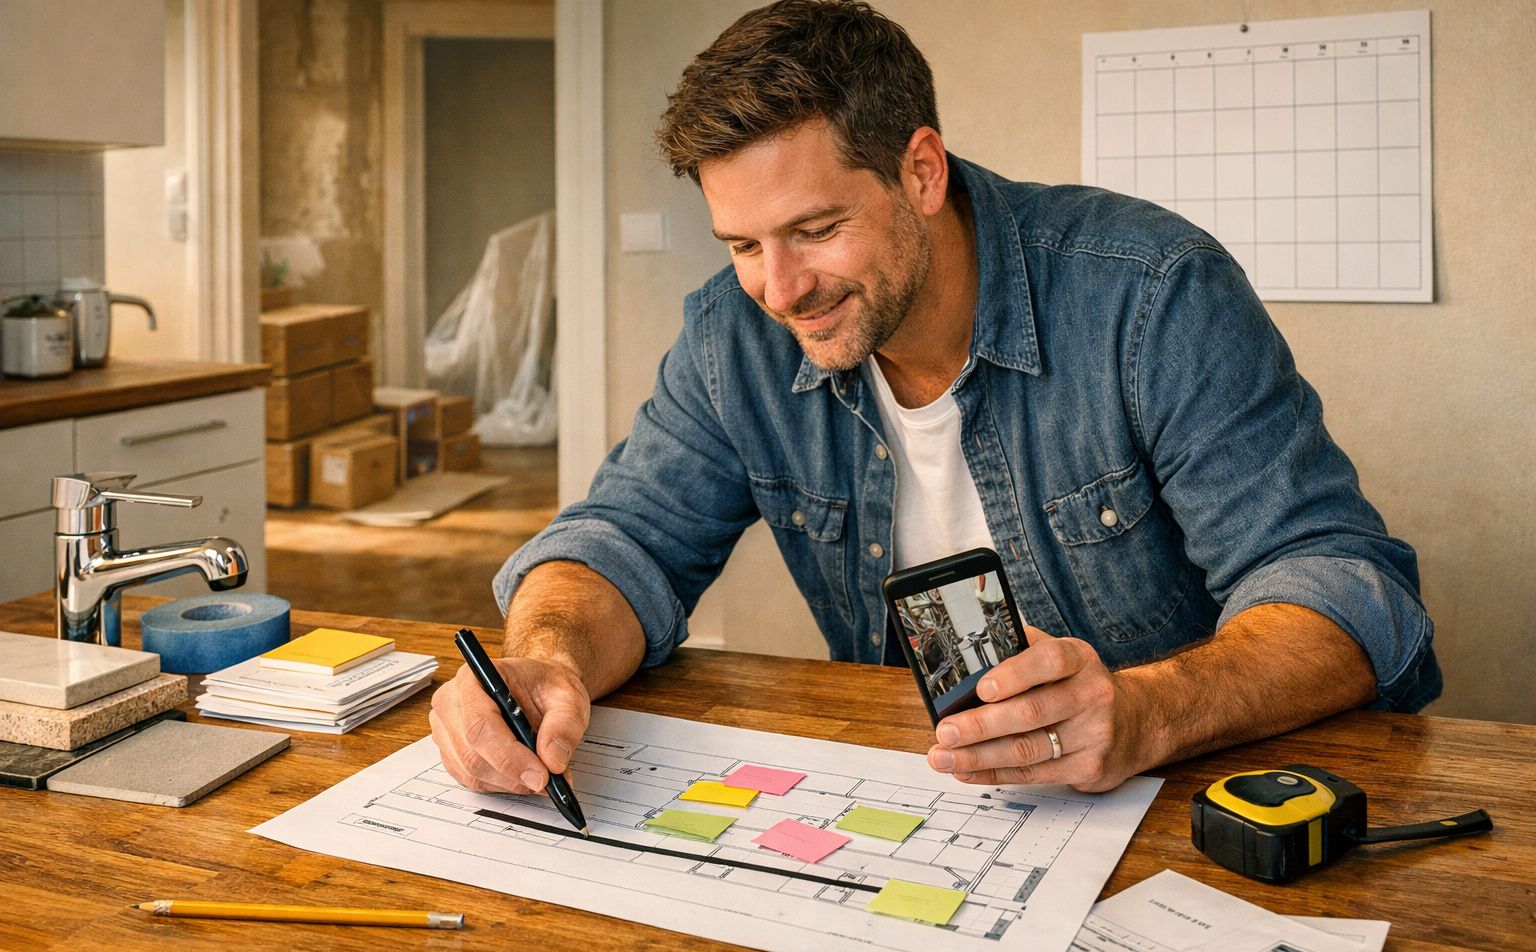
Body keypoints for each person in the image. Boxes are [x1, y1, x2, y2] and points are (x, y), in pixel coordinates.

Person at [430, 0, 1439, 798]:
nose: (780, 291)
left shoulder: (1151, 292)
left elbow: (1345, 589)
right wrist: (548, 661)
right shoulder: (729, 338)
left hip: (1180, 808)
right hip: (927, 811)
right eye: (743, 245)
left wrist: (1143, 713)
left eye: (816, 229)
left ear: (919, 170)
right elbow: (624, 541)